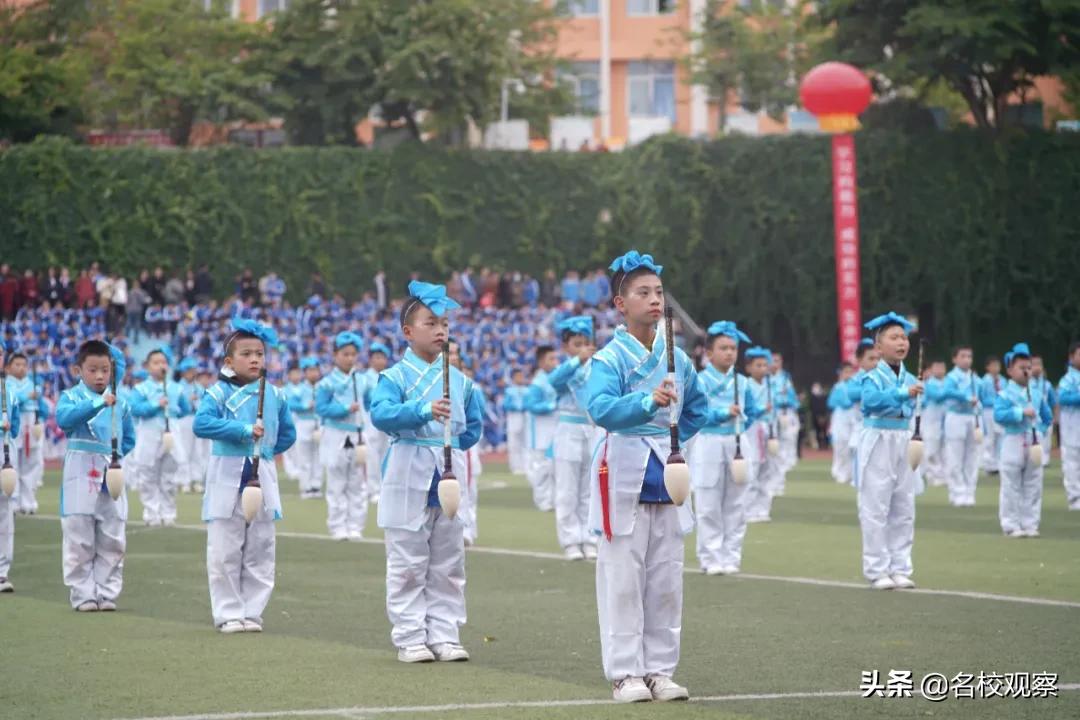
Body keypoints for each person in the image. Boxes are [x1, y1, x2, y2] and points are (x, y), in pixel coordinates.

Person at [585, 251, 708, 703]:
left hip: (666, 469)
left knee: (666, 577)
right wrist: (647, 406)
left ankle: (659, 669)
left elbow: (698, 408)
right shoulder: (608, 359)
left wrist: (673, 441)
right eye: (643, 293)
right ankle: (624, 672)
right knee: (623, 576)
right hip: (622, 465)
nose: (654, 299)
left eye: (658, 292)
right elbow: (599, 409)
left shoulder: (677, 356)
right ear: (621, 303)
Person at [370, 280, 484, 664]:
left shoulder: (462, 381)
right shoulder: (395, 378)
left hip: (447, 473)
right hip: (408, 468)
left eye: (444, 324)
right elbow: (382, 415)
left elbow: (473, 428)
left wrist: (449, 451)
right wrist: (422, 412)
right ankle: (409, 636)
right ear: (408, 331)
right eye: (431, 323)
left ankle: (446, 633)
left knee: (449, 560)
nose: (441, 331)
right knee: (407, 559)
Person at [194, 317, 296, 633]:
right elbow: (202, 424)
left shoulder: (275, 395)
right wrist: (242, 431)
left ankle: (253, 611)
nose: (254, 360)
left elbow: (288, 434)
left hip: (261, 471)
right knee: (225, 546)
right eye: (246, 354)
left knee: (261, 546)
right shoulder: (217, 394)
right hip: (227, 471)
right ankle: (228, 613)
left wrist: (264, 449)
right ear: (229, 361)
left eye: (259, 354)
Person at [55, 341, 135, 610]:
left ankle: (107, 592)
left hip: (110, 469)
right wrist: (98, 403)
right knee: (79, 532)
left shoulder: (120, 404)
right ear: (79, 370)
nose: (100, 376)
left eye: (105, 370)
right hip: (80, 466)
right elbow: (65, 419)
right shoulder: (71, 397)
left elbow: (129, 437)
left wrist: (115, 456)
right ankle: (83, 593)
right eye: (93, 370)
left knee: (113, 533)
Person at [856, 312, 922, 591]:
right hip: (878, 438)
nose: (901, 342)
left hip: (903, 437)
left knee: (904, 505)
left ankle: (900, 567)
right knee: (876, 505)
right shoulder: (872, 377)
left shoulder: (909, 377)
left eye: (904, 337)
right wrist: (902, 395)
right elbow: (871, 402)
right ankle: (876, 568)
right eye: (894, 337)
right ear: (878, 347)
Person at [690, 321, 758, 576]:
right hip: (708, 442)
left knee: (737, 503)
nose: (729, 353)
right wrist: (721, 413)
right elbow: (695, 414)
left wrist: (740, 420)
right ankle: (710, 556)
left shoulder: (743, 382)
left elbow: (750, 412)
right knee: (708, 501)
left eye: (733, 348)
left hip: (738, 443)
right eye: (723, 348)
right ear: (709, 353)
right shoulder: (699, 380)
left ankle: (732, 555)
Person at [994, 343, 1053, 538]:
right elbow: (999, 415)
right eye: (1021, 368)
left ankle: (1030, 523)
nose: (1026, 371)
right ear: (1010, 370)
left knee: (1033, 484)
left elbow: (1047, 416)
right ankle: (1011, 525)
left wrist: (1041, 430)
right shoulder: (1004, 394)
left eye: (1028, 367)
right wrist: (1020, 412)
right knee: (1011, 485)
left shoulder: (1036, 394)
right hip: (1012, 440)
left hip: (1033, 440)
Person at [551, 316, 598, 561]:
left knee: (589, 489)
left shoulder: (597, 367)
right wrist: (577, 361)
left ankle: (590, 538)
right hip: (568, 430)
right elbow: (554, 381)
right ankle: (570, 540)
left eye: (585, 343)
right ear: (566, 346)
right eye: (576, 344)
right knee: (568, 489)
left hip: (591, 430)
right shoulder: (566, 368)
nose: (582, 348)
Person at [316, 333, 369, 541]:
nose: (350, 358)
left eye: (353, 354)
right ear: (335, 355)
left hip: (357, 433)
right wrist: (345, 408)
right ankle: (338, 526)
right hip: (335, 432)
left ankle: (356, 525)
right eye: (345, 354)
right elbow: (322, 408)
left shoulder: (362, 379)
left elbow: (374, 401)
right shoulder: (326, 383)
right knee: (337, 481)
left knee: (357, 481)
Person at [129, 347, 191, 526]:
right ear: (148, 367)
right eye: (156, 363)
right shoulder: (141, 388)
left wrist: (174, 411)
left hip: (171, 431)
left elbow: (185, 408)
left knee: (169, 475)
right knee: (148, 473)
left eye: (163, 362)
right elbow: (136, 409)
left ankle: (168, 512)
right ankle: (151, 512)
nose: (161, 366)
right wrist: (156, 405)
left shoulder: (176, 388)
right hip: (149, 432)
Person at [6, 352, 48, 514]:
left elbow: (40, 405)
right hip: (16, 421)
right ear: (9, 368)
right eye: (17, 365)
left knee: (32, 462)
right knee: (14, 460)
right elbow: (11, 399)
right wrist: (26, 397)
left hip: (31, 421)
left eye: (24, 365)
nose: (21, 368)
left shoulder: (31, 382)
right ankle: (14, 500)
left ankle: (29, 500)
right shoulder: (7, 384)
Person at [743, 347, 778, 523]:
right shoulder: (745, 385)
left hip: (769, 428)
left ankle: (763, 508)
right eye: (758, 365)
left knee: (768, 470)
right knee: (753, 467)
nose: (763, 368)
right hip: (753, 429)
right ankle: (749, 509)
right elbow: (748, 411)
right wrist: (762, 409)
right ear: (749, 367)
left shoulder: (770, 385)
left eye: (765, 365)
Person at [942, 346, 980, 507]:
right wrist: (965, 397)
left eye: (969, 356)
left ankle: (969, 491)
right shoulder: (951, 377)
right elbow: (947, 392)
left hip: (972, 417)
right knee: (955, 457)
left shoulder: (975, 378)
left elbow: (982, 396)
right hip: (956, 417)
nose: (967, 360)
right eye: (963, 356)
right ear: (955, 359)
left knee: (972, 457)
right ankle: (957, 492)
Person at [524, 346, 560, 512]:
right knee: (542, 468)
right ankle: (543, 500)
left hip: (554, 430)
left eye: (555, 358)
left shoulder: (555, 377)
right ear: (541, 362)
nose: (555, 362)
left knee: (553, 467)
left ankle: (553, 499)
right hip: (540, 432)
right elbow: (532, 406)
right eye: (551, 359)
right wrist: (551, 405)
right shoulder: (537, 383)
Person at [0, 348, 22, 592]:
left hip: (5, 453)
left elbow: (14, 427)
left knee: (5, 511)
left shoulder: (11, 391)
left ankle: (2, 572)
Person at [846, 338, 881, 489]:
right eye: (871, 359)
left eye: (878, 359)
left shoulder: (883, 377)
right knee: (863, 475)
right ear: (860, 360)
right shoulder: (857, 379)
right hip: (862, 429)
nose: (876, 363)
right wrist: (875, 393)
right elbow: (852, 394)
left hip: (881, 429)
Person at [287, 358, 322, 499]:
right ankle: (306, 487)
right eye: (310, 371)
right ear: (305, 373)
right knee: (304, 457)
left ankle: (316, 485)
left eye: (315, 370)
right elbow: (290, 404)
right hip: (303, 424)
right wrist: (306, 406)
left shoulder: (323, 387)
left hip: (319, 424)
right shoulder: (300, 389)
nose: (313, 373)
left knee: (318, 457)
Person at [363, 343, 393, 504]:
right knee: (372, 454)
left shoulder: (390, 376)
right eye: (376, 357)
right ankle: (372, 489)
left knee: (386, 453)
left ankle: (384, 488)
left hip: (387, 417)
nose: (379, 360)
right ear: (370, 360)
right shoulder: (365, 379)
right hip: (371, 417)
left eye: (382, 357)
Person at [1057, 342, 1080, 511]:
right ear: (1072, 358)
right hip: (1073, 427)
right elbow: (1063, 398)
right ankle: (1075, 498)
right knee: (1072, 464)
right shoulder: (1067, 379)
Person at [174, 358, 201, 494]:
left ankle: (196, 480)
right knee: (184, 450)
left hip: (196, 419)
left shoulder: (198, 387)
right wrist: (189, 401)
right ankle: (183, 480)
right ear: (183, 372)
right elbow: (176, 406)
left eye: (193, 370)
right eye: (189, 370)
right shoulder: (178, 387)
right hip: (183, 420)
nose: (192, 372)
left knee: (197, 451)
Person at [828, 363, 856, 484]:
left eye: (850, 372)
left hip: (853, 418)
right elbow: (831, 403)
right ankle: (839, 471)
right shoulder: (838, 387)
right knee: (840, 446)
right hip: (840, 418)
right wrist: (844, 402)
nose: (848, 374)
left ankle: (850, 473)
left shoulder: (855, 385)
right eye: (846, 372)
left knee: (852, 447)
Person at [922, 360, 948, 486]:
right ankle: (932, 475)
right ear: (932, 370)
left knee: (944, 449)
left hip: (946, 422)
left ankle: (943, 474)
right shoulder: (929, 384)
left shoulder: (947, 382)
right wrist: (951, 392)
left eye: (942, 367)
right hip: (932, 422)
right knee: (932, 449)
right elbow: (937, 396)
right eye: (936, 367)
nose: (940, 370)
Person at [1029, 355, 1057, 469]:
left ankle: (1045, 461)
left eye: (1039, 364)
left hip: (1045, 416)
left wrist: (1054, 416)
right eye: (1034, 364)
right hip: (1032, 417)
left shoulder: (1047, 384)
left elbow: (1053, 401)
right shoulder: (1027, 383)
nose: (1037, 367)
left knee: (1046, 441)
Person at [979, 356, 1004, 474]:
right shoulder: (984, 381)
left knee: (1000, 436)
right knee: (990, 438)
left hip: (1000, 410)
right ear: (988, 367)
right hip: (988, 411)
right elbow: (982, 398)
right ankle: (989, 464)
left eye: (997, 365)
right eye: (993, 365)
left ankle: (999, 463)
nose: (996, 368)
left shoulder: (1003, 380)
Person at [502, 368, 528, 476]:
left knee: (525, 443)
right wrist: (516, 407)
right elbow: (505, 405)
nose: (520, 378)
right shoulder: (509, 391)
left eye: (521, 376)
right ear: (513, 378)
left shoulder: (527, 390)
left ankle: (526, 466)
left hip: (525, 417)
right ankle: (516, 467)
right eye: (518, 376)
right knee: (514, 444)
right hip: (514, 417)